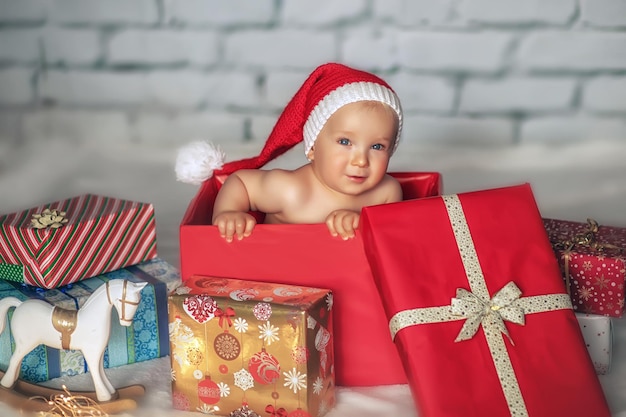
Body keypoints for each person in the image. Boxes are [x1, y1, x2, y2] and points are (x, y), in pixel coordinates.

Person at [212, 63, 404, 242]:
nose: (361, 161)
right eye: (345, 142)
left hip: (344, 274)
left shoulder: (386, 193)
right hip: (280, 267)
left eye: (377, 147)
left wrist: (364, 222)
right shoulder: (290, 190)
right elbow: (241, 182)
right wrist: (229, 212)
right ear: (312, 147)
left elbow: (393, 237)